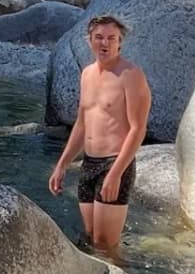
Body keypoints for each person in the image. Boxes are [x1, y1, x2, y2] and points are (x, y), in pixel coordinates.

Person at [48, 14, 151, 257]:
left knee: (106, 245)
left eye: (111, 38)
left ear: (119, 42)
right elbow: (82, 124)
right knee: (92, 238)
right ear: (89, 41)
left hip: (114, 164)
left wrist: (115, 174)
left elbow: (138, 129)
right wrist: (61, 165)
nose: (104, 43)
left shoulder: (130, 75)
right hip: (89, 164)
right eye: (99, 37)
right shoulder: (87, 74)